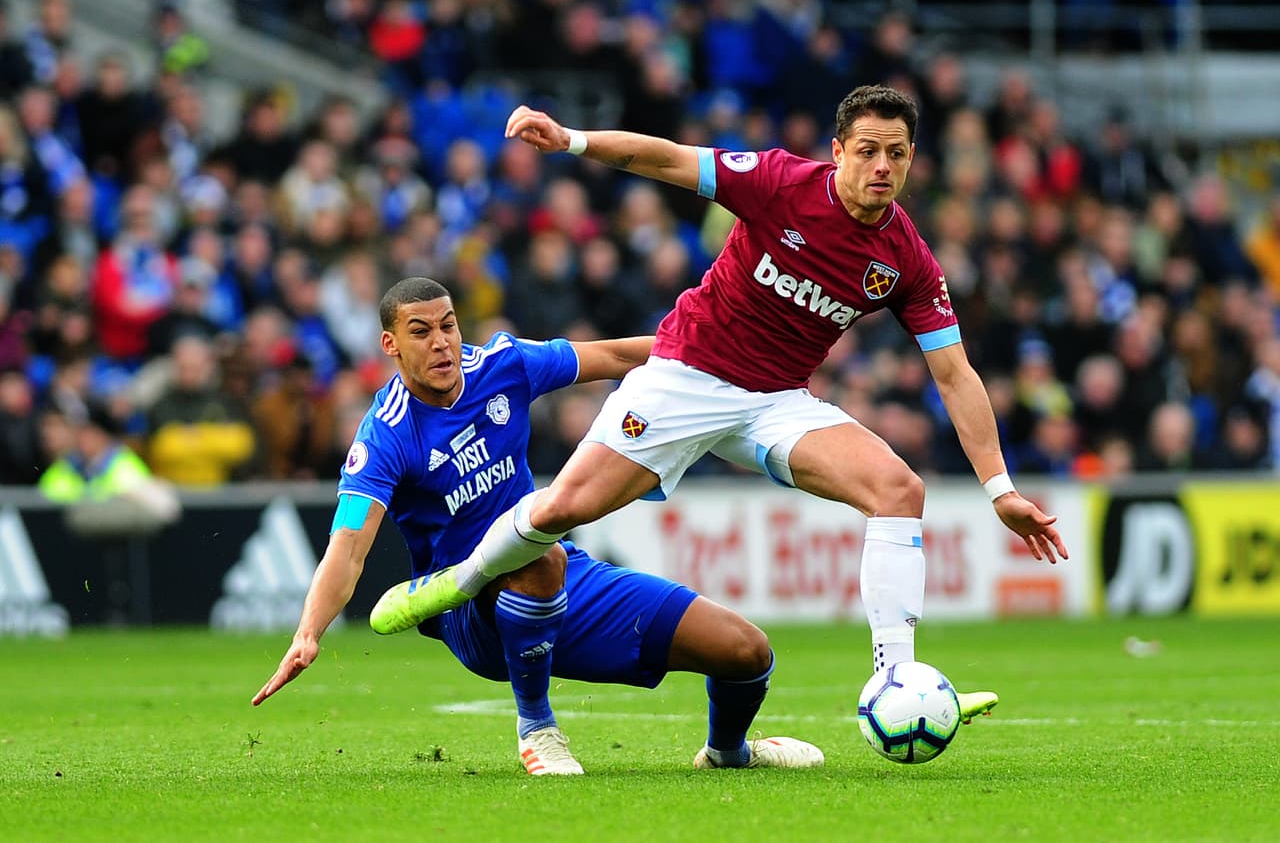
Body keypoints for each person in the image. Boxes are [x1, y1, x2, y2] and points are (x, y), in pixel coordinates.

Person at [372, 85, 1069, 711]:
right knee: (563, 508)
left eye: (896, 153)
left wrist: (999, 487)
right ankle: (456, 582)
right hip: (687, 376)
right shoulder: (780, 184)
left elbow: (954, 374)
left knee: (897, 488)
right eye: (867, 151)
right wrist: (573, 141)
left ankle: (895, 683)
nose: (881, 166)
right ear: (838, 152)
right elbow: (669, 160)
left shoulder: (906, 260)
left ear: (913, 159)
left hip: (775, 400)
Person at [252, 278, 825, 775]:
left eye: (448, 326)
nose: (442, 343)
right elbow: (348, 547)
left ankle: (729, 753)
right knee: (535, 553)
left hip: (557, 572)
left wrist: (718, 356)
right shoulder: (385, 435)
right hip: (466, 605)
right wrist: (308, 633)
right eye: (421, 331)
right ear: (391, 345)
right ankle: (537, 731)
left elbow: (618, 357)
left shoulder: (503, 365)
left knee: (746, 651)